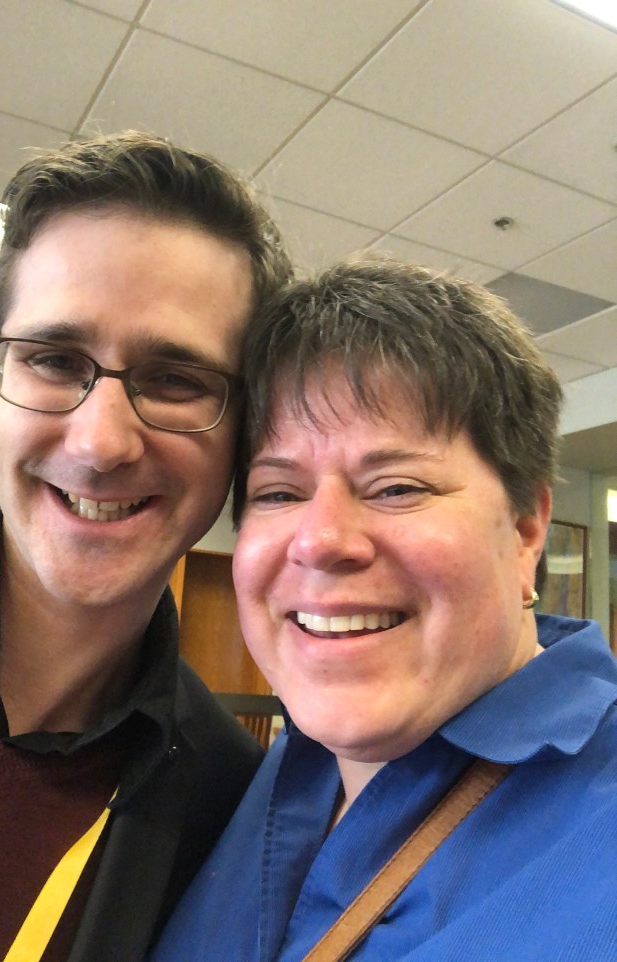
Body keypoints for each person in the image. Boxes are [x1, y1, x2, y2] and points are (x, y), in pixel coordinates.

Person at [0, 131, 293, 962]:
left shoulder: (226, 814)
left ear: (244, 430)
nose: (102, 442)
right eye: (53, 359)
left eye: (175, 380)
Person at [149, 256, 617, 961]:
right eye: (277, 493)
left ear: (525, 530)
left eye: (397, 487)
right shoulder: (251, 777)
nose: (319, 540)